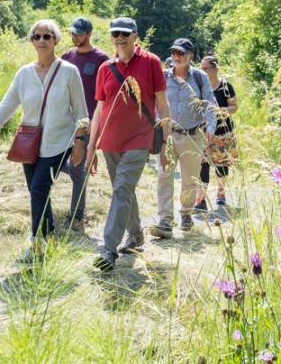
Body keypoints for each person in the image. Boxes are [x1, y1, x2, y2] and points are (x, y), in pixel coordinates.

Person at [0, 19, 88, 267]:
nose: (41, 41)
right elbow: (7, 105)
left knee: (38, 190)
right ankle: (48, 239)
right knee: (38, 193)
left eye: (47, 36)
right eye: (36, 37)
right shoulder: (24, 73)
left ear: (56, 40)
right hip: (29, 143)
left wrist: (79, 142)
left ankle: (36, 249)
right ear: (31, 41)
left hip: (59, 143)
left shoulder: (69, 71)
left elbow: (81, 111)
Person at [86, 17, 170, 271]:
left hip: (139, 139)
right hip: (110, 141)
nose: (119, 37)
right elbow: (99, 110)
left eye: (124, 33)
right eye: (115, 34)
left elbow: (163, 105)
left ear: (135, 35)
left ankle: (108, 248)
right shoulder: (105, 68)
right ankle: (135, 234)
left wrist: (164, 146)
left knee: (121, 189)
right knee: (125, 191)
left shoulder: (151, 62)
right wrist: (91, 146)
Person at [150, 38, 216, 238]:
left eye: (181, 53)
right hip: (167, 136)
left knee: (189, 178)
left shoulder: (199, 77)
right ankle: (164, 220)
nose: (176, 56)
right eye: (173, 52)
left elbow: (209, 103)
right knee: (164, 177)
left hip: (192, 135)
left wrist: (210, 126)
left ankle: (186, 213)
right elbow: (154, 103)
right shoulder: (162, 76)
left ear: (190, 56)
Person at [59, 16, 110, 231]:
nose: (75, 37)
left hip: (87, 122)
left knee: (78, 169)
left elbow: (105, 96)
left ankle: (77, 215)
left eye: (79, 33)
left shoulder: (100, 59)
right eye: (72, 33)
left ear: (89, 34)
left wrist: (96, 132)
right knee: (58, 163)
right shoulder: (65, 57)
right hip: (63, 121)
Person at [194, 55, 239, 210]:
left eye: (206, 68)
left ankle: (220, 192)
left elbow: (234, 107)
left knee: (221, 163)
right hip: (204, 132)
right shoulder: (199, 86)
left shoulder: (225, 86)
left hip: (223, 132)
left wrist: (219, 110)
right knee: (203, 163)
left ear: (215, 68)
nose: (203, 71)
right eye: (201, 68)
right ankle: (200, 200)